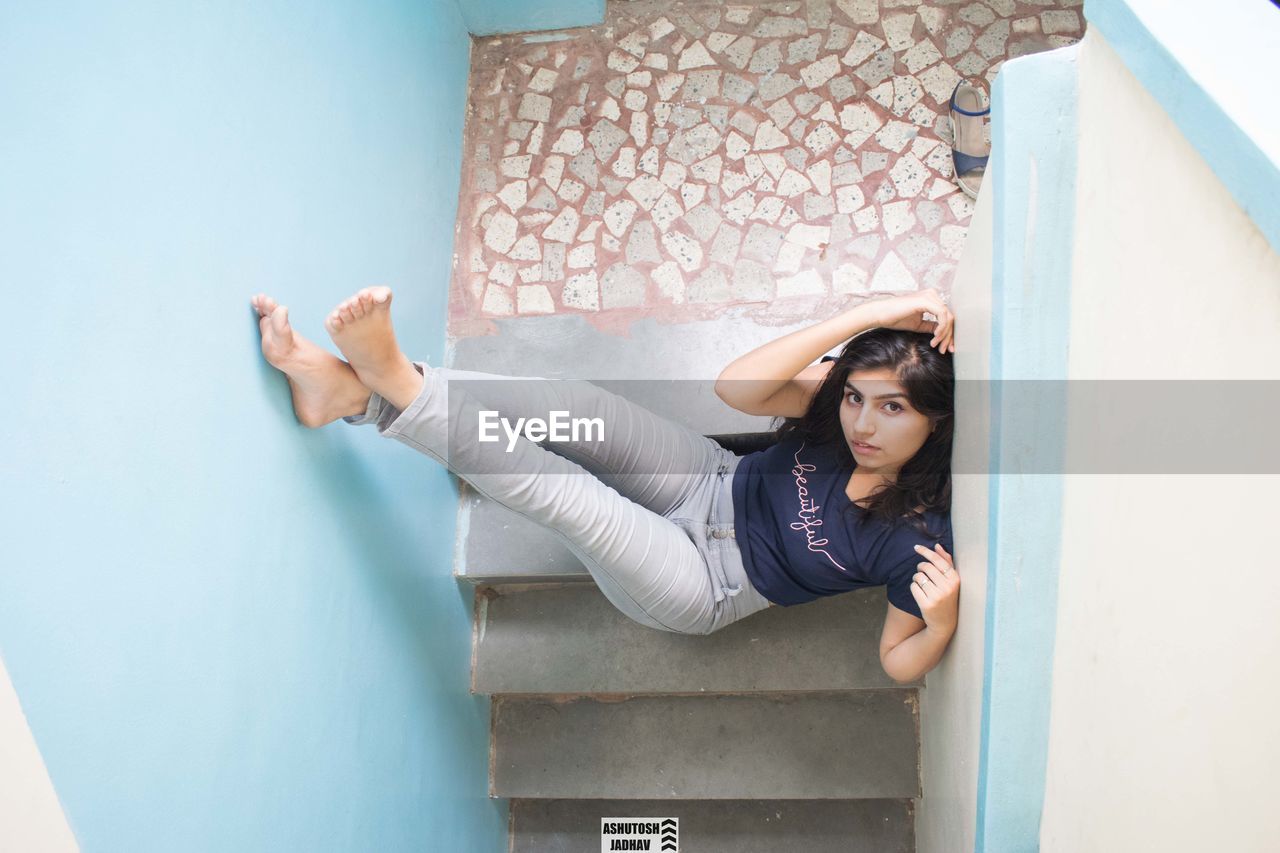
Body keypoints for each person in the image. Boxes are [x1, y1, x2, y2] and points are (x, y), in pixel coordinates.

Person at [251, 285, 959, 683]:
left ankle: (389, 385)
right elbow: (735, 386)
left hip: (706, 581)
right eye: (856, 397)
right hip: (708, 480)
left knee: (570, 496)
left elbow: (897, 661)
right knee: (576, 412)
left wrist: (943, 623)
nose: (863, 423)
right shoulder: (841, 417)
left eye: (893, 408)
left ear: (936, 421)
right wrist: (870, 315)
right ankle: (357, 397)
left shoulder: (916, 541)